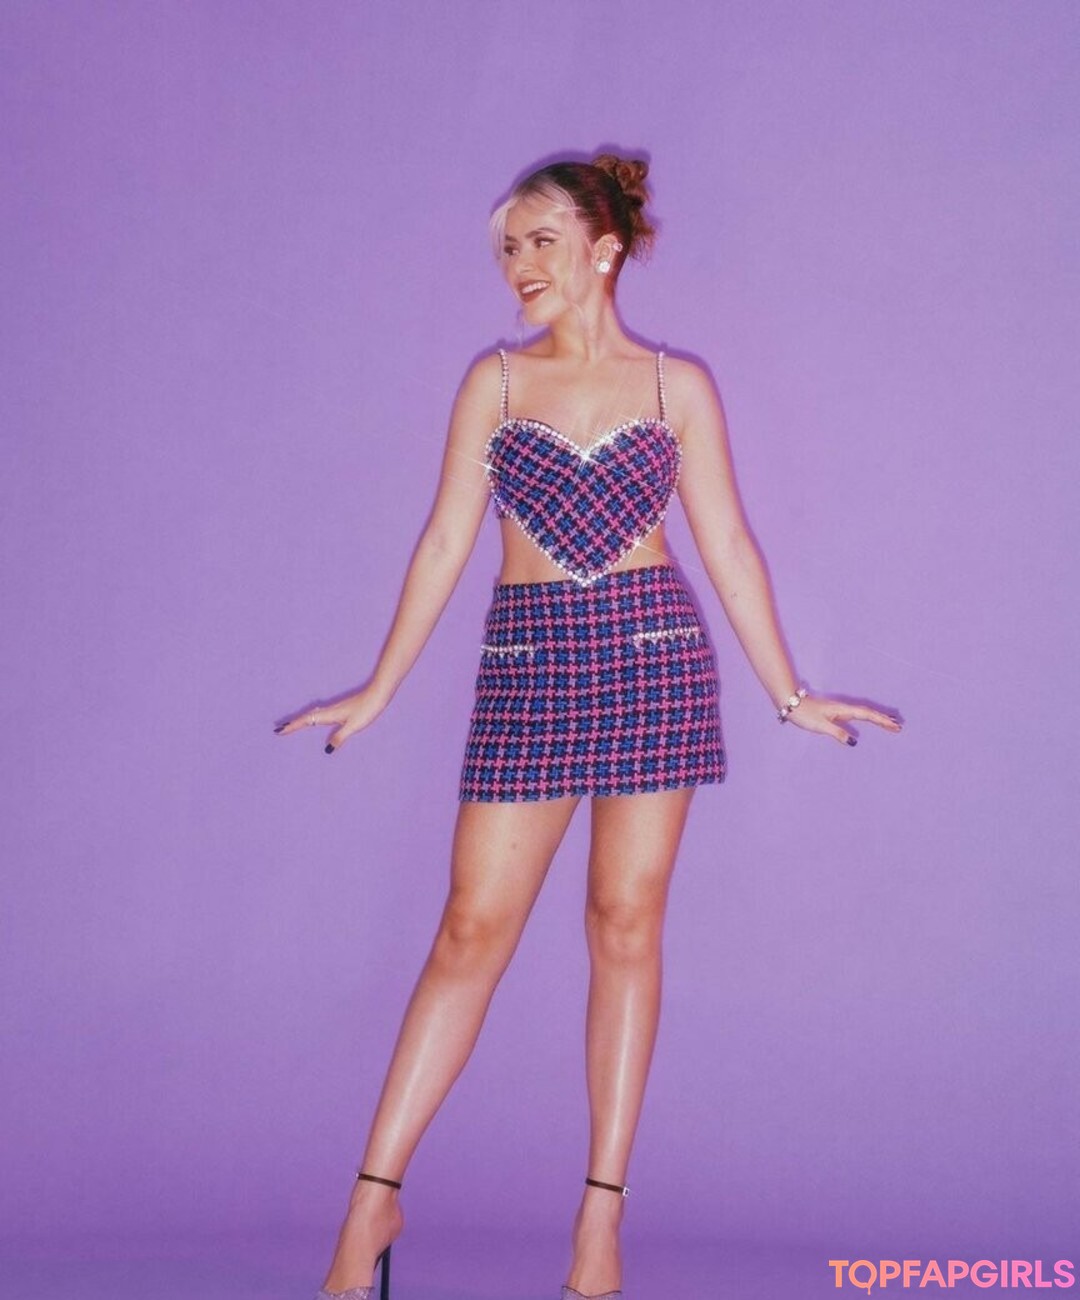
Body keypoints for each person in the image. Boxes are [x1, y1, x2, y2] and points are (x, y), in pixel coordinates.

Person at [276, 153, 902, 1300]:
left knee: (624, 926)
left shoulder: (677, 386)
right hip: (528, 666)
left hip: (654, 660)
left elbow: (728, 542)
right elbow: (444, 541)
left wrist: (788, 691)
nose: (520, 265)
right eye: (508, 248)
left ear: (603, 248)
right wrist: (379, 687)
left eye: (541, 241)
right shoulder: (496, 383)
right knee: (470, 931)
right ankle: (371, 1203)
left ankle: (598, 1227)